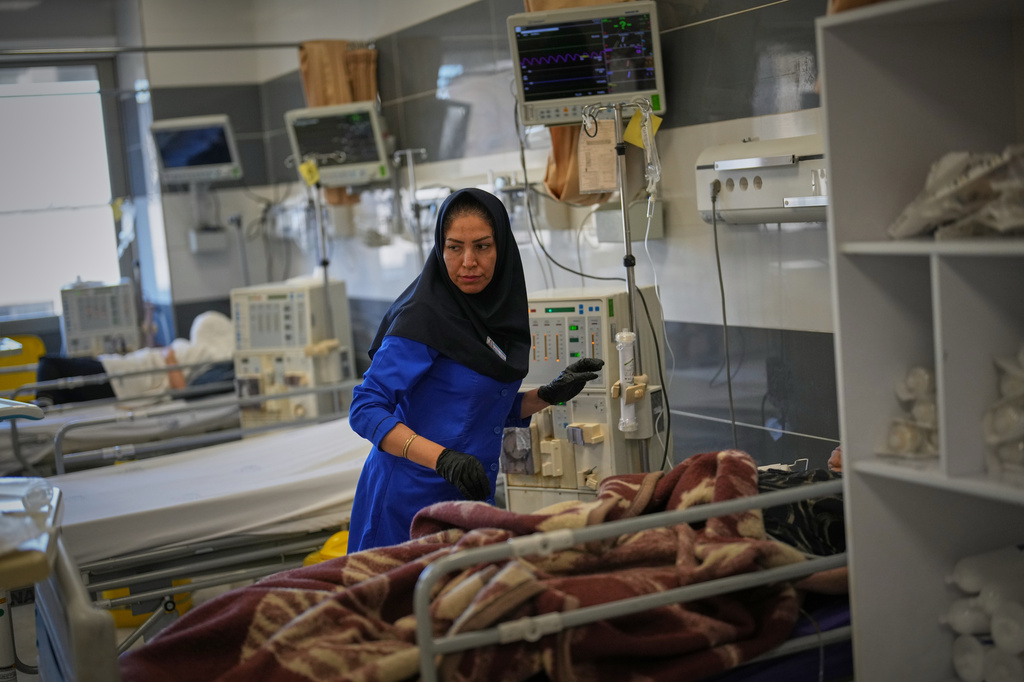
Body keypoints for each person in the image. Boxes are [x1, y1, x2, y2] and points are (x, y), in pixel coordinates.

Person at [347, 188, 603, 552]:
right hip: (406, 502)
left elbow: (474, 408)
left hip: (469, 494)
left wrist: (547, 395)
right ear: (440, 248)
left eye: (482, 246)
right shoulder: (425, 317)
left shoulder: (497, 317)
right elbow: (365, 408)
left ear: (502, 249)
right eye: (454, 247)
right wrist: (442, 460)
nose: (468, 261)